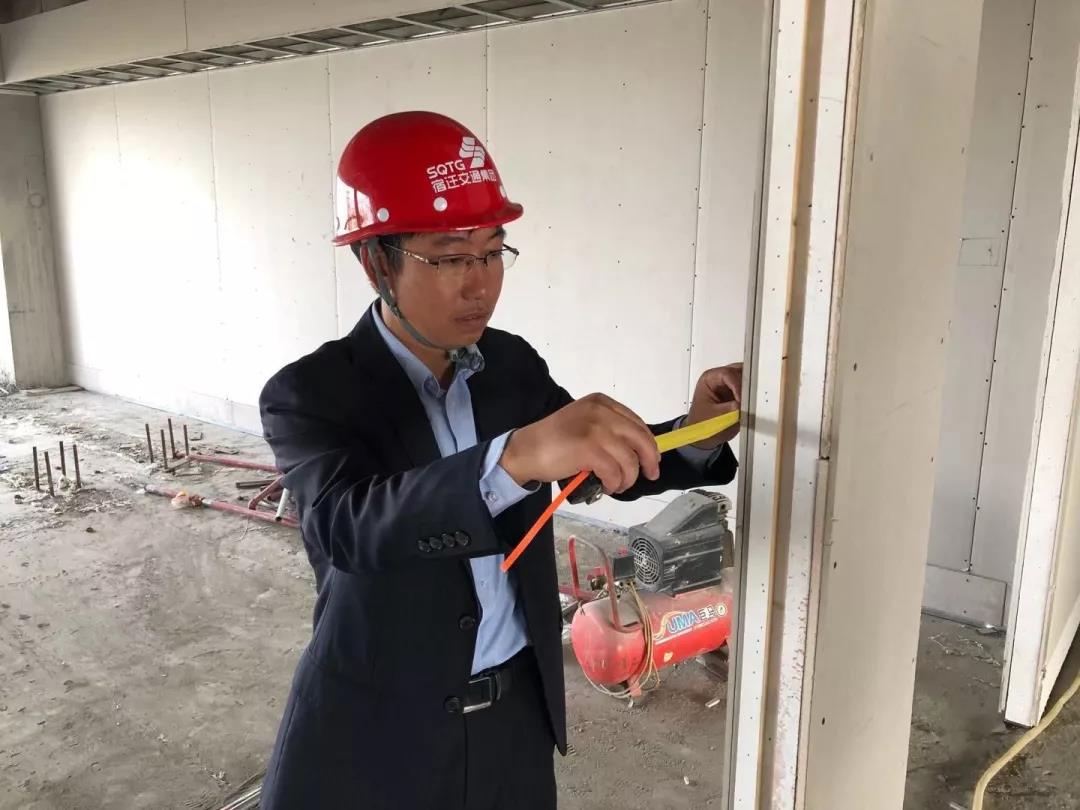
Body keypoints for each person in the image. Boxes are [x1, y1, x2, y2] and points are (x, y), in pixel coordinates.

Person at [257, 111, 742, 810]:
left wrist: (696, 429)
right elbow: (347, 528)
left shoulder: (510, 367)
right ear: (376, 263)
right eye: (450, 257)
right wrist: (515, 456)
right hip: (378, 734)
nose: (479, 284)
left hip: (513, 722)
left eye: (492, 252)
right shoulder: (313, 392)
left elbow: (590, 464)